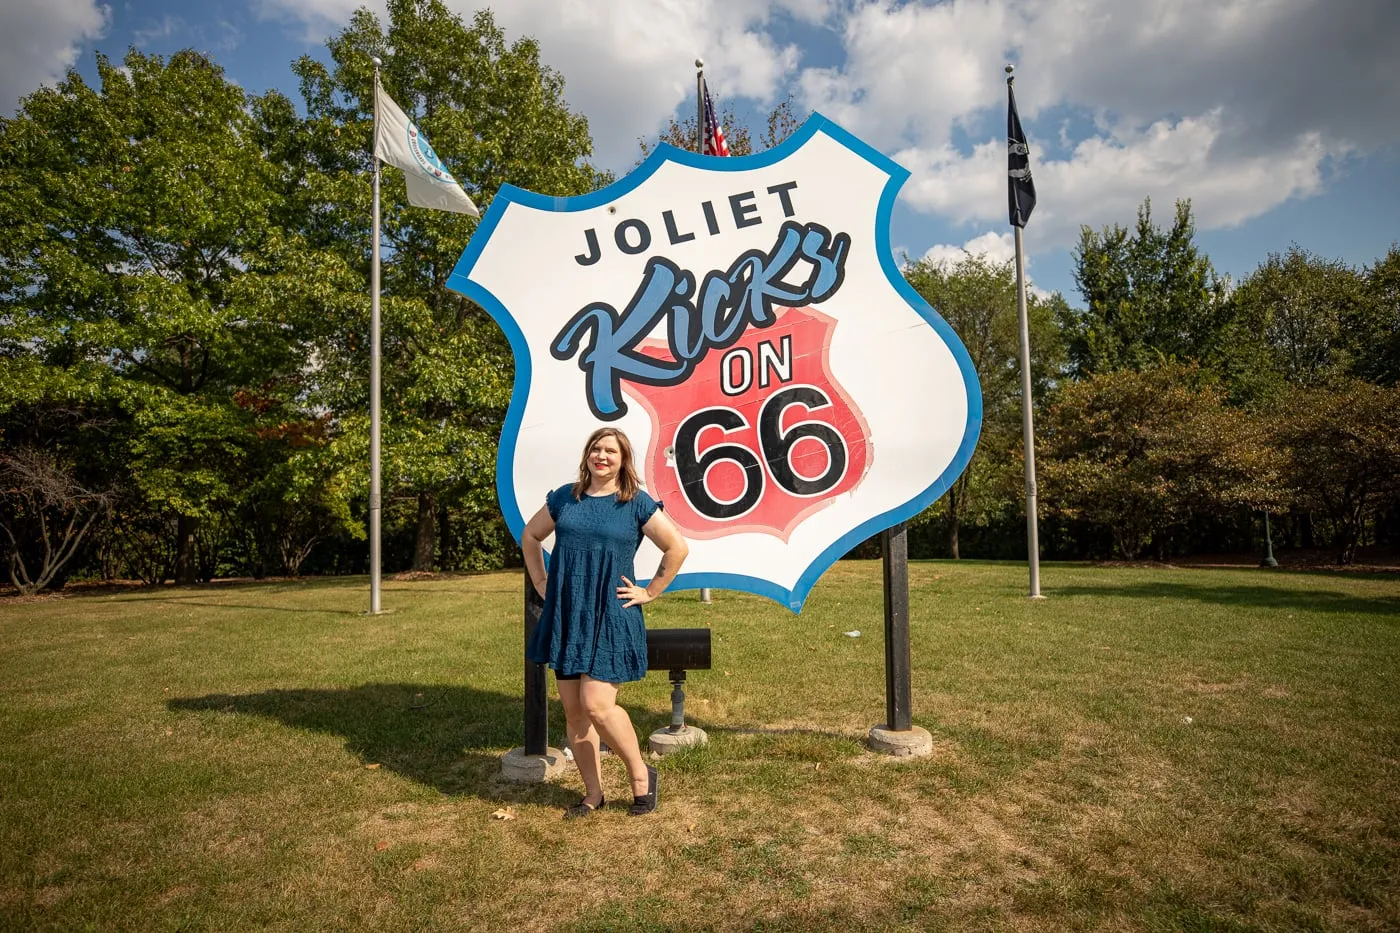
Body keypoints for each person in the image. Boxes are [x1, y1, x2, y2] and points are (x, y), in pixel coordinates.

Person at [522, 427, 689, 817]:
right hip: (568, 614)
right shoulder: (566, 497)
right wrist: (543, 581)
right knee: (576, 715)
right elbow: (531, 536)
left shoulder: (634, 503)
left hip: (610, 615)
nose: (602, 456)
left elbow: (677, 547)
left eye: (610, 451)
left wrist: (651, 591)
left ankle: (641, 775)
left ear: (622, 459)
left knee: (597, 705)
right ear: (587, 456)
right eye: (596, 449)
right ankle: (593, 793)